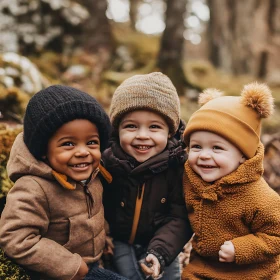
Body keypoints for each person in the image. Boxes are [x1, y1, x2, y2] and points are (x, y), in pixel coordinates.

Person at [0, 85, 128, 280]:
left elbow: (95, 213)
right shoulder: (34, 188)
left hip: (96, 260)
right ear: (43, 150)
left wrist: (105, 239)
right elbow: (16, 238)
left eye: (92, 142)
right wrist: (70, 266)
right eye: (68, 144)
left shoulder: (93, 175)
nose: (83, 151)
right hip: (63, 272)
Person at [182, 82, 280, 280]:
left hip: (252, 273)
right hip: (203, 268)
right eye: (197, 147)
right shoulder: (190, 181)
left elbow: (276, 237)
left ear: (243, 155)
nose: (204, 156)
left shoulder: (260, 197)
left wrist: (240, 248)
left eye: (217, 148)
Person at [102, 72, 193, 280]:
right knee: (128, 275)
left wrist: (160, 252)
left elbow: (179, 217)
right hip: (119, 239)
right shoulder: (107, 162)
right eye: (131, 126)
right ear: (117, 130)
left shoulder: (177, 167)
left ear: (170, 132)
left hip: (162, 241)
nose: (142, 135)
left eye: (154, 127)